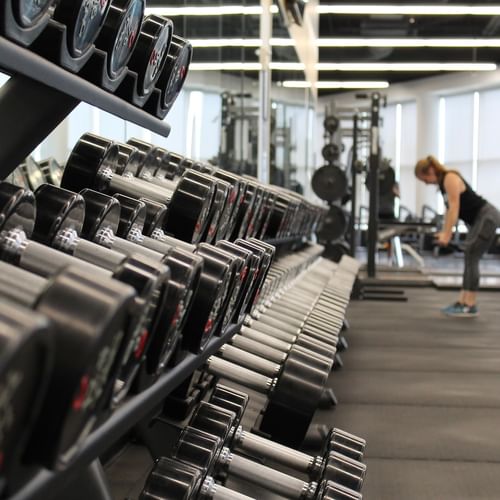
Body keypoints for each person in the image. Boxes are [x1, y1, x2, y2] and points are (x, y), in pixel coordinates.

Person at [415, 155, 500, 317]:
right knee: (469, 255)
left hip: (487, 217)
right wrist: (445, 232)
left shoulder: (450, 177)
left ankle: (470, 303)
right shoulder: (443, 185)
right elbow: (449, 211)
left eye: (424, 178)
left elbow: (454, 208)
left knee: (472, 255)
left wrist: (447, 234)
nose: (426, 183)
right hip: (478, 220)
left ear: (431, 170)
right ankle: (463, 301)